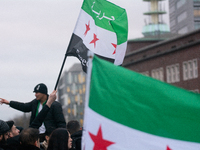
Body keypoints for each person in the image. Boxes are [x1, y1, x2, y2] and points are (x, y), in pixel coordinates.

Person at [0, 83, 66, 142]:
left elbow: (61, 122)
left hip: (49, 136)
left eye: (37, 93)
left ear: (43, 93)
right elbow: (24, 106)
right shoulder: (35, 103)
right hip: (36, 135)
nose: (35, 95)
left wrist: (62, 136)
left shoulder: (55, 105)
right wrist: (9, 103)